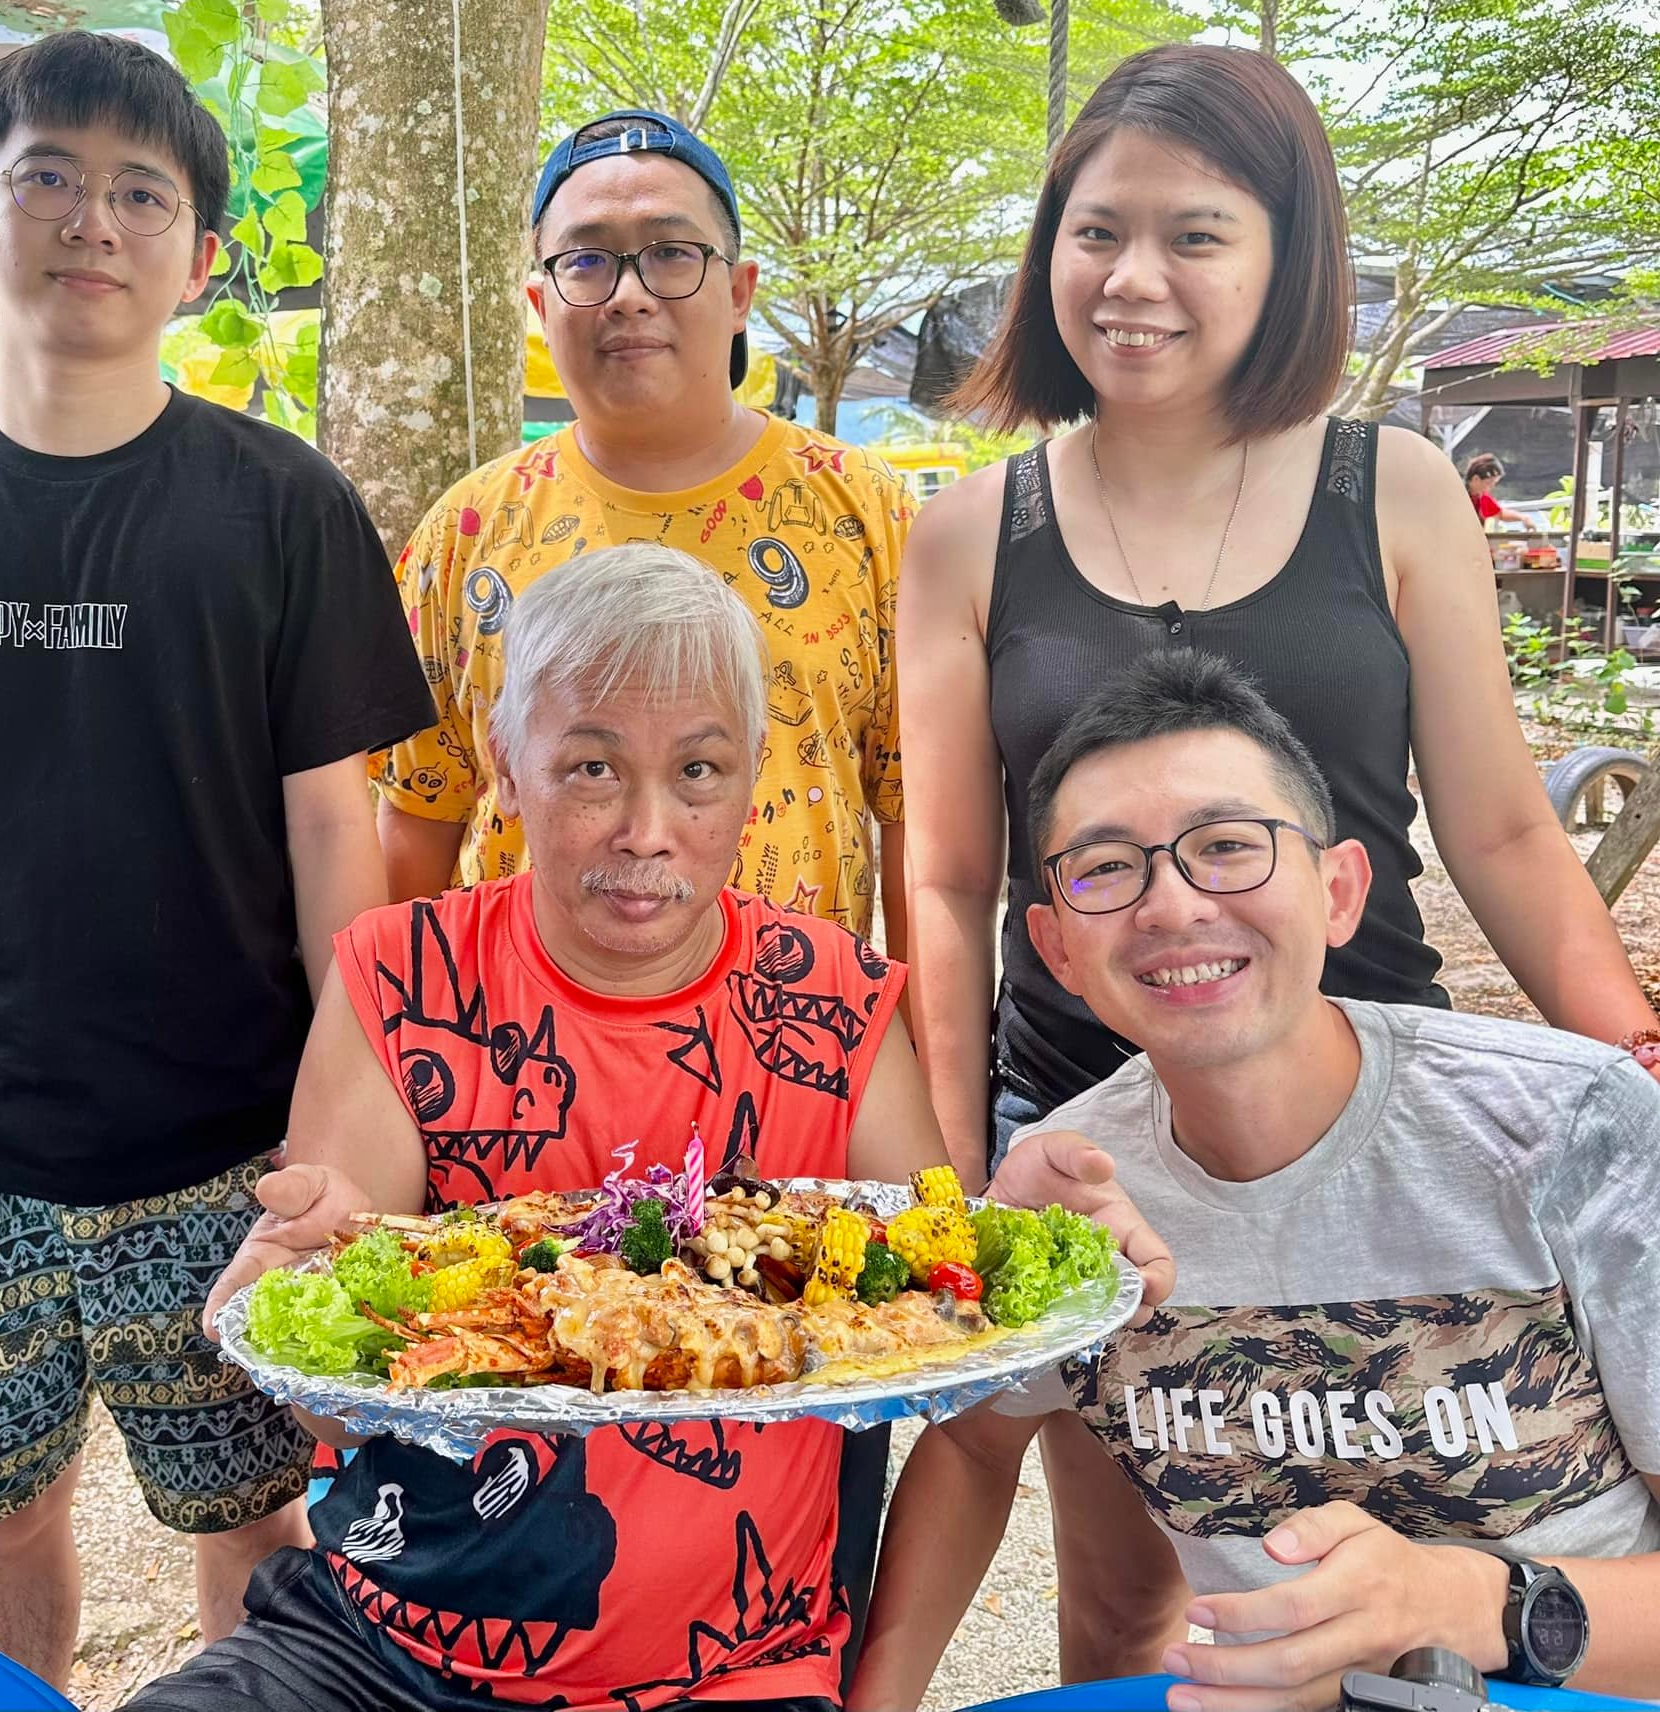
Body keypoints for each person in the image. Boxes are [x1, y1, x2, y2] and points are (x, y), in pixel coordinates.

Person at [894, 43, 1659, 1676]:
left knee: (1441, 1568)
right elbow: (951, 882)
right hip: (1094, 1137)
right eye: (1096, 231)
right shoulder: (970, 528)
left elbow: (1505, 825)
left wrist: (1632, 1049)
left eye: (1196, 232)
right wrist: (961, 1160)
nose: (1133, 278)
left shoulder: (1386, 489)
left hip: (1374, 1121)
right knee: (1139, 1593)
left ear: (1282, 254)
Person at [129, 546, 1171, 1712]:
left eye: (697, 770)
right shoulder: (399, 978)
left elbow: (955, 1365)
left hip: (738, 1666)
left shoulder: (830, 1001)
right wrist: (270, 1295)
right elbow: (335, 1391)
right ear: (505, 771)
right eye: (589, 766)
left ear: (748, 781)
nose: (646, 828)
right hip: (384, 1647)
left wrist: (1016, 1245)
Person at [0, 31, 436, 1690]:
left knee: (257, 1524)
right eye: (49, 176)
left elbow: (336, 821)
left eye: (142, 191)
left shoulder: (282, 505)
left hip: (225, 1136)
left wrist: (336, 1113)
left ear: (196, 255)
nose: (93, 220)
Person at [853, 650, 1660, 1712]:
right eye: (1105, 869)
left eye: (1226, 847)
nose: (1174, 905)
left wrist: (1470, 1602)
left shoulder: (1566, 1125)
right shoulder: (1072, 1187)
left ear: (1337, 891)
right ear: (1051, 946)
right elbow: (970, 1443)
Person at [372, 109, 913, 951]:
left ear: (739, 293)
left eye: (670, 253)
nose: (628, 294)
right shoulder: (465, 533)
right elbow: (417, 820)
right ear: (540, 303)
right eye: (586, 260)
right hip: (514, 1056)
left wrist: (925, 1071)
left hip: (793, 1052)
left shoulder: (868, 513)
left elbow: (918, 829)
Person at [1463, 453, 1509, 521]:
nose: (1492, 487)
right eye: (1489, 483)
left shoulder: (1482, 497)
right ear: (1476, 479)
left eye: (1494, 483)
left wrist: (1523, 518)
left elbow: (1499, 513)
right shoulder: (1460, 498)